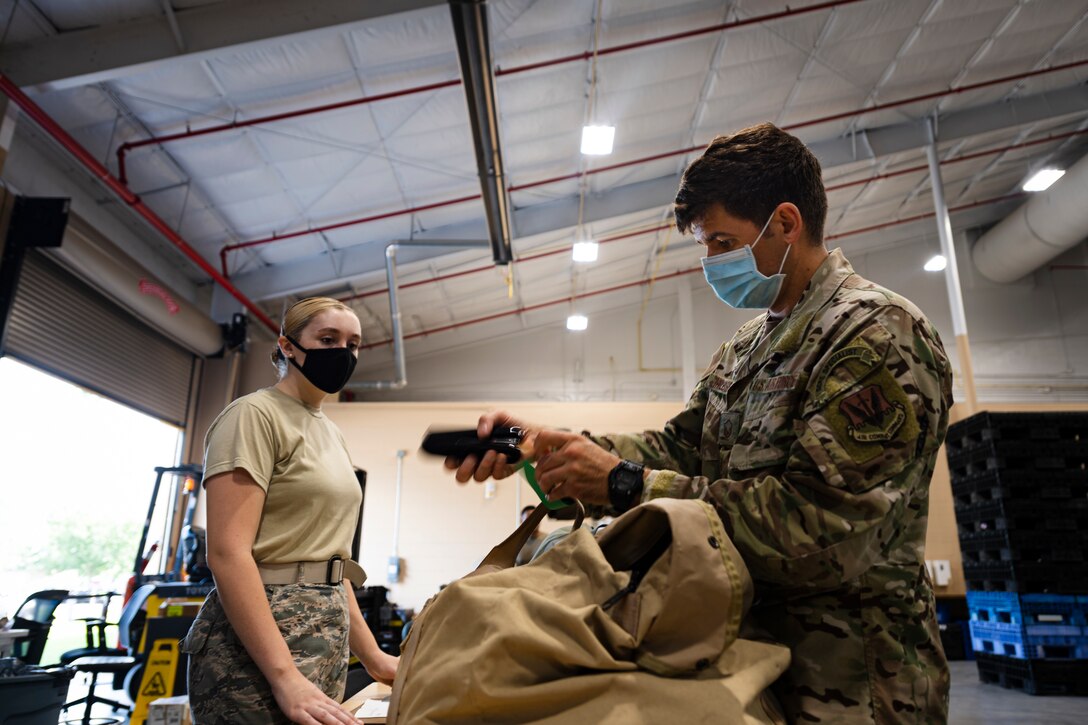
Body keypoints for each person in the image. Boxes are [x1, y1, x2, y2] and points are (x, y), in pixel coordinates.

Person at [447, 123, 952, 724]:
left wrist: (626, 483)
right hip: (749, 663)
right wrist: (553, 449)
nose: (711, 261)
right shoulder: (746, 347)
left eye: (722, 241)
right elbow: (680, 447)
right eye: (705, 244)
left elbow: (824, 528)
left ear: (786, 223)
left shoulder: (874, 333)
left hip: (852, 683)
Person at [182, 297, 398, 725]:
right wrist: (285, 677)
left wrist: (373, 657)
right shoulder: (252, 416)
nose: (343, 352)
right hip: (261, 647)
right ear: (287, 345)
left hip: (324, 635)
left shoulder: (329, 431)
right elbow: (227, 554)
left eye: (353, 344)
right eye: (328, 339)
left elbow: (331, 564)